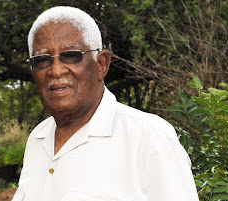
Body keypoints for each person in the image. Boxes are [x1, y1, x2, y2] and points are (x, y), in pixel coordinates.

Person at [12, 6, 199, 201]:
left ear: (101, 64)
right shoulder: (38, 138)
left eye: (71, 56)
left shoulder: (149, 138)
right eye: (42, 60)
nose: (56, 71)